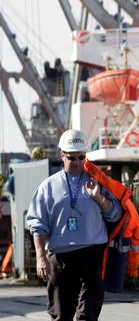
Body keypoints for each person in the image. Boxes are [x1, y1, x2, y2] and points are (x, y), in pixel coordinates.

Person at [26, 129, 124, 321]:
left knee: (87, 315)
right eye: (72, 157)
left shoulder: (98, 183)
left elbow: (115, 216)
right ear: (62, 154)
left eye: (81, 157)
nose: (78, 162)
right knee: (61, 315)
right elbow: (37, 224)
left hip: (92, 255)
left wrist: (99, 198)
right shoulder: (47, 187)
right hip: (61, 258)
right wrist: (40, 257)